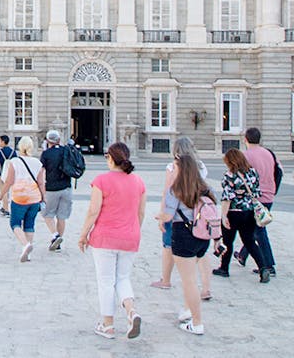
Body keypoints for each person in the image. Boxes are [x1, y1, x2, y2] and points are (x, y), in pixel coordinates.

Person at [78, 142, 146, 340]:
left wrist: (83, 235)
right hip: (130, 237)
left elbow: (93, 211)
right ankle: (131, 311)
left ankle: (107, 325)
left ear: (110, 158)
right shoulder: (138, 182)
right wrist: (132, 231)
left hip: (105, 238)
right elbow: (140, 213)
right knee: (123, 278)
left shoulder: (101, 181)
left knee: (106, 281)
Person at [157, 149, 217, 336]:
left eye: (175, 167)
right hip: (202, 237)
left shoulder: (176, 190)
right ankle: (189, 309)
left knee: (189, 281)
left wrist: (159, 216)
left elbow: (168, 215)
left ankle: (196, 322)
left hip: (184, 235)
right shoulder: (207, 188)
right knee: (191, 278)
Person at [150, 137, 213, 302]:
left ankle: (166, 280)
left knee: (168, 246)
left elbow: (168, 192)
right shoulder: (200, 166)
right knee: (201, 253)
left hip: (179, 215)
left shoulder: (173, 167)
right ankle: (206, 288)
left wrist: (163, 214)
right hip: (198, 213)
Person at [214, 148, 268, 283]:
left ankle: (224, 268)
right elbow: (257, 192)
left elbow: (227, 197)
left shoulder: (230, 175)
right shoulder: (253, 173)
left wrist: (224, 216)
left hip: (233, 212)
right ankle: (263, 268)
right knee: (249, 241)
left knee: (228, 241)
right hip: (249, 212)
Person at [0, 136, 46, 262]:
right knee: (29, 224)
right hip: (34, 198)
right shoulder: (37, 163)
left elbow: (9, 181)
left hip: (19, 197)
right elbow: (41, 183)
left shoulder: (15, 162)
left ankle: (26, 245)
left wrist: (2, 194)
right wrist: (44, 197)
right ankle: (27, 253)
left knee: (15, 223)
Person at [241, 127, 279, 277]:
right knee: (253, 228)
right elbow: (278, 171)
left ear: (246, 139)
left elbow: (242, 178)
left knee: (259, 231)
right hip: (269, 194)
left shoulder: (246, 155)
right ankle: (242, 255)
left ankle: (269, 265)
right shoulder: (269, 153)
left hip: (255, 197)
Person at [38, 129, 74, 251]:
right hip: (67, 187)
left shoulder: (46, 154)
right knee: (61, 216)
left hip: (52, 188)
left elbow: (41, 173)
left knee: (47, 214)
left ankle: (55, 235)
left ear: (48, 141)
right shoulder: (66, 151)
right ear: (59, 140)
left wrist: (41, 190)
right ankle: (57, 243)